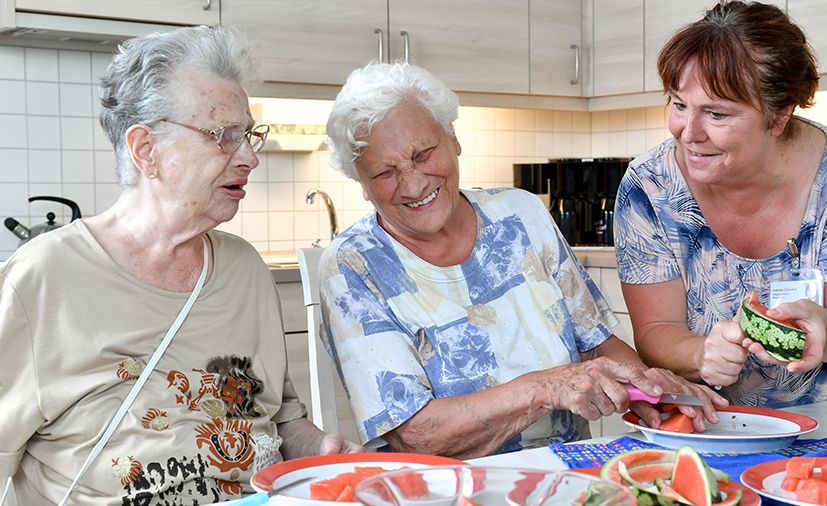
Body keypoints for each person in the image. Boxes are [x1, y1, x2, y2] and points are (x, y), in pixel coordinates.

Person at [0, 25, 361, 505]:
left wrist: (320, 447)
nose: (250, 156)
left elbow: (276, 419)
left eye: (249, 134)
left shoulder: (244, 270)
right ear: (146, 150)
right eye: (224, 136)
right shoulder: (42, 277)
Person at [320, 61, 727, 459]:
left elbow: (597, 346)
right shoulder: (353, 265)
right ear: (362, 184)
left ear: (453, 139)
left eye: (423, 154)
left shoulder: (520, 214)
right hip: (450, 490)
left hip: (570, 473)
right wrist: (546, 387)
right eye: (384, 173)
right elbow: (417, 436)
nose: (412, 183)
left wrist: (650, 388)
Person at [614, 1, 827, 408]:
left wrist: (824, 328)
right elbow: (656, 330)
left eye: (716, 114)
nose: (689, 133)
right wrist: (701, 354)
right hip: (711, 420)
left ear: (778, 117)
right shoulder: (648, 187)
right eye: (678, 104)